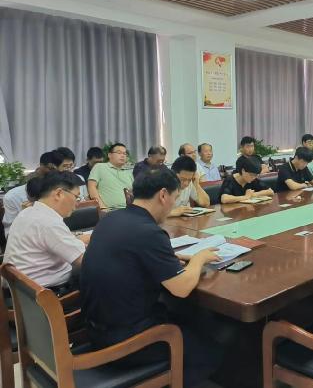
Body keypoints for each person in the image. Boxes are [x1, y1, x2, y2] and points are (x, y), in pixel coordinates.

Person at [80, 168, 223, 387]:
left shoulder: (111, 219)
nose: (174, 204)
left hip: (95, 329)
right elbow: (181, 288)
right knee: (211, 350)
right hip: (127, 341)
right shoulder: (149, 232)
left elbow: (130, 256)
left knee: (193, 321)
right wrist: (199, 258)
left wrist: (170, 258)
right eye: (175, 197)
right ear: (163, 195)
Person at [3, 171, 89, 291]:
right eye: (77, 197)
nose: (77, 203)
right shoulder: (49, 222)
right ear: (59, 193)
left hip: (22, 290)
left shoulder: (27, 212)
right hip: (46, 294)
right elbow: (86, 261)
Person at [2, 151, 64, 235]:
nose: (53, 173)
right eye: (51, 168)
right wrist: (25, 215)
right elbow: (10, 233)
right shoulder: (13, 196)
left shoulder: (60, 190)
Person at [88, 142, 134, 209]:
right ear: (109, 155)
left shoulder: (128, 172)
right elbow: (91, 187)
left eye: (125, 153)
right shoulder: (100, 167)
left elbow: (134, 192)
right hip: (109, 210)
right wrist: (102, 207)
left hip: (129, 210)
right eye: (119, 153)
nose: (123, 155)